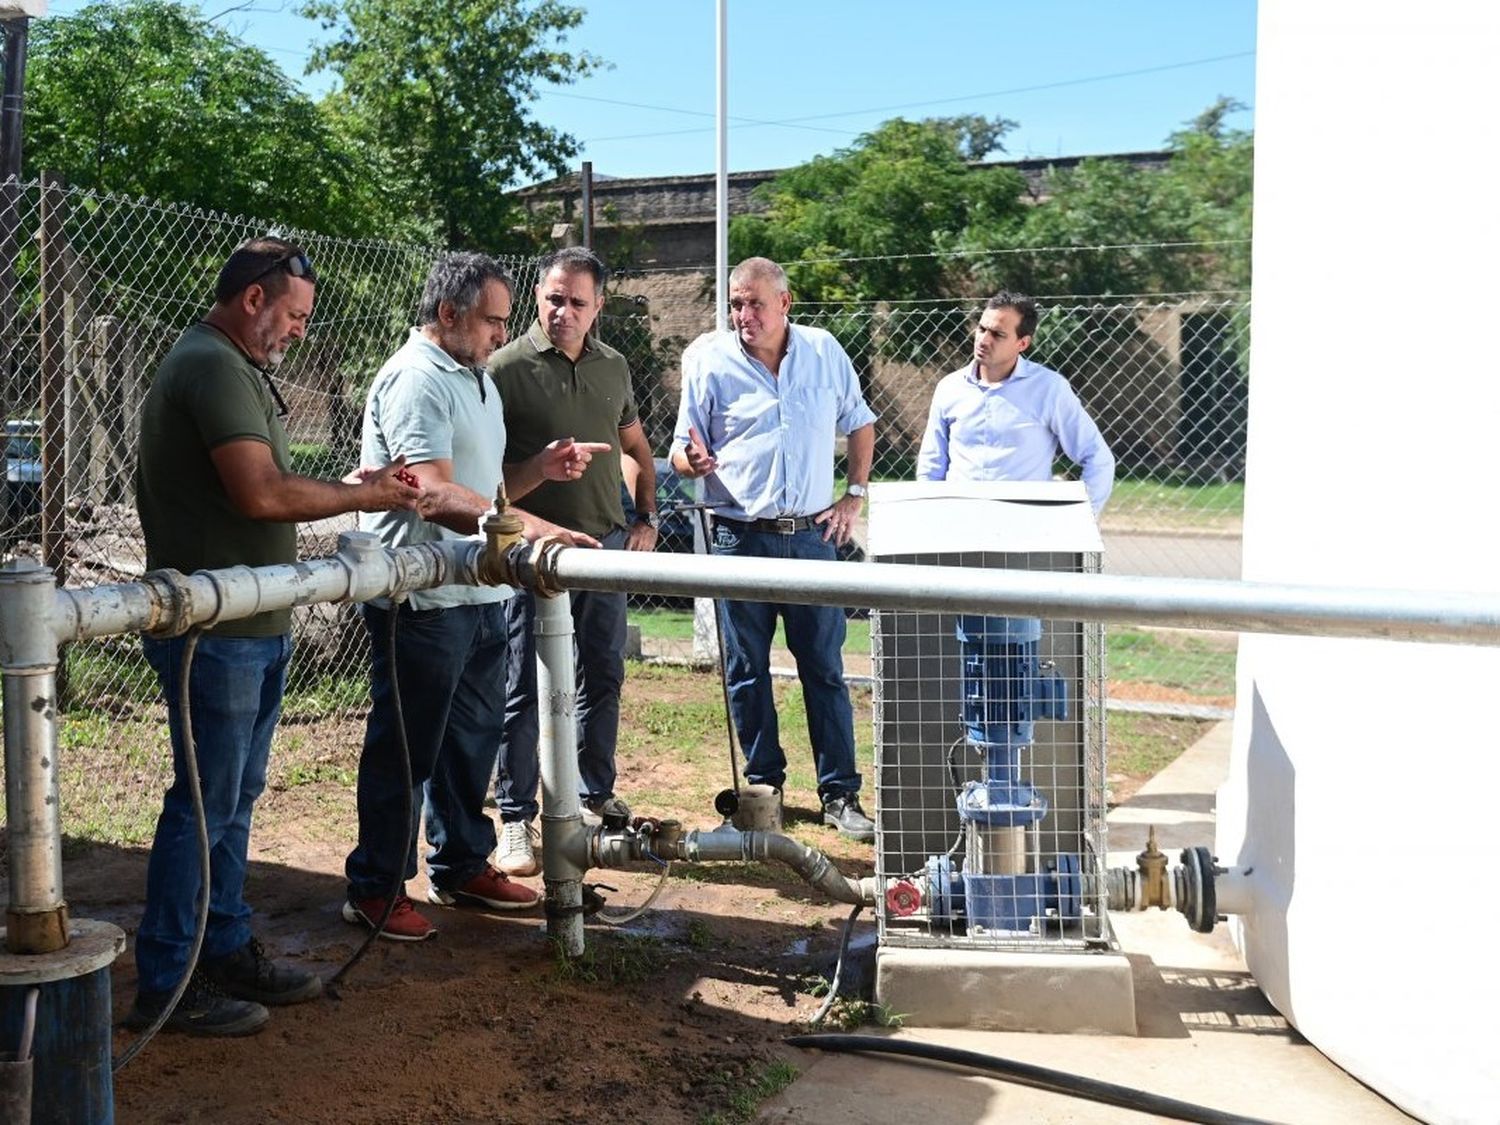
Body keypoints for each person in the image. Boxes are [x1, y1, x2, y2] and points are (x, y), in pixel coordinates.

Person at [131, 237, 422, 1037]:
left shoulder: (232, 364)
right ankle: (169, 981)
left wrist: (357, 490)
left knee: (231, 800)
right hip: (215, 628)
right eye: (293, 315)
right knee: (203, 804)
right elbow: (259, 494)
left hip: (248, 621)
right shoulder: (214, 365)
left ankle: (220, 948)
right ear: (253, 299)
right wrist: (358, 492)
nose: (298, 332)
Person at [343, 252, 603, 942]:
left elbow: (485, 496)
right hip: (423, 600)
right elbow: (432, 493)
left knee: (470, 744)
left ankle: (460, 862)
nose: (501, 333)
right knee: (407, 748)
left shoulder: (475, 379)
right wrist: (542, 531)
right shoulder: (415, 379)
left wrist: (537, 472)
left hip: (479, 593)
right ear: (450, 314)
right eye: (491, 320)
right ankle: (373, 885)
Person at [670, 256, 877, 841]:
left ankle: (840, 795)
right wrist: (693, 462)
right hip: (739, 537)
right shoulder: (708, 360)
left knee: (825, 670)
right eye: (736, 303)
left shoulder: (824, 351)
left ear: (785, 303)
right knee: (745, 671)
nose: (743, 315)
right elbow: (683, 449)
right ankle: (764, 789)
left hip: (812, 537)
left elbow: (860, 423)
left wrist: (853, 496)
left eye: (755, 303)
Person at [485, 247, 657, 877]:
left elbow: (635, 442)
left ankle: (593, 796)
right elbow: (483, 481)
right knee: (524, 685)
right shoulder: (503, 367)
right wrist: (536, 478)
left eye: (577, 302)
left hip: (606, 551)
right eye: (554, 298)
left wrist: (645, 516)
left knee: (602, 676)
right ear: (537, 296)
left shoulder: (614, 367)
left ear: (598, 307)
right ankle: (513, 817)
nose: (563, 312)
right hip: (534, 557)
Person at [916, 291, 1114, 512]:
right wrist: (930, 517)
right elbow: (931, 466)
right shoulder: (950, 388)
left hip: (1025, 532)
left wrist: (1080, 521)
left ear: (1022, 343)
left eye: (998, 335)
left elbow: (1097, 457)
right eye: (982, 329)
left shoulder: (1048, 389)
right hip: (959, 526)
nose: (984, 339)